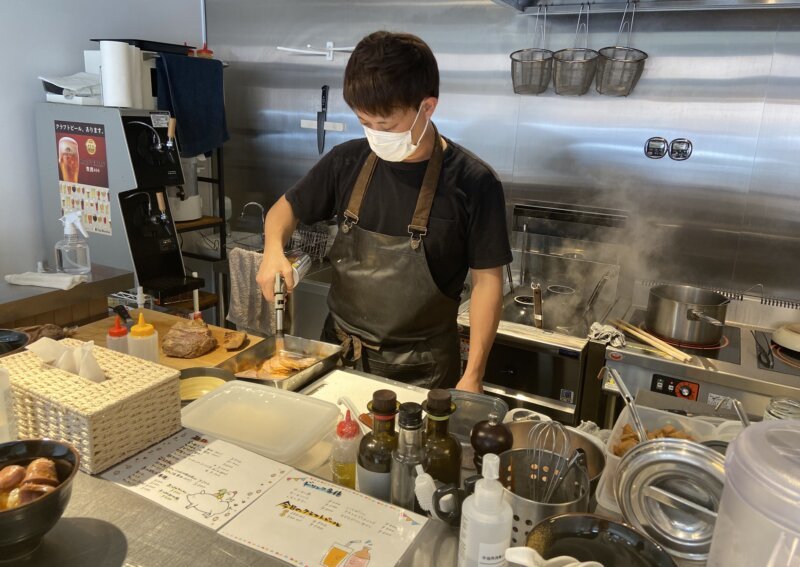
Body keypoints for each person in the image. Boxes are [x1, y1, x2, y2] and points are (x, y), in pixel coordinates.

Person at [256, 31, 512, 392]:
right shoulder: (346, 161)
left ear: (428, 107)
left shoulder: (474, 182)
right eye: (365, 122)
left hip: (425, 371)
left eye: (387, 125)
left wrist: (473, 375)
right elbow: (283, 210)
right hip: (339, 356)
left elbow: (488, 282)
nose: (375, 133)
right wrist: (272, 250)